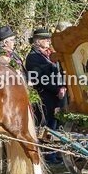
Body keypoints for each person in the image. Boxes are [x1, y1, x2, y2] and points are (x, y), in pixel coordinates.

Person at [25, 27, 65, 163]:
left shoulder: (48, 54)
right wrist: (57, 90)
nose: (48, 41)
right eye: (45, 39)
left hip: (55, 95)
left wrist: (62, 86)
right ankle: (48, 156)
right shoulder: (33, 57)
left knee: (54, 125)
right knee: (47, 126)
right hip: (44, 96)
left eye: (48, 38)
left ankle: (55, 153)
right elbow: (40, 79)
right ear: (37, 41)